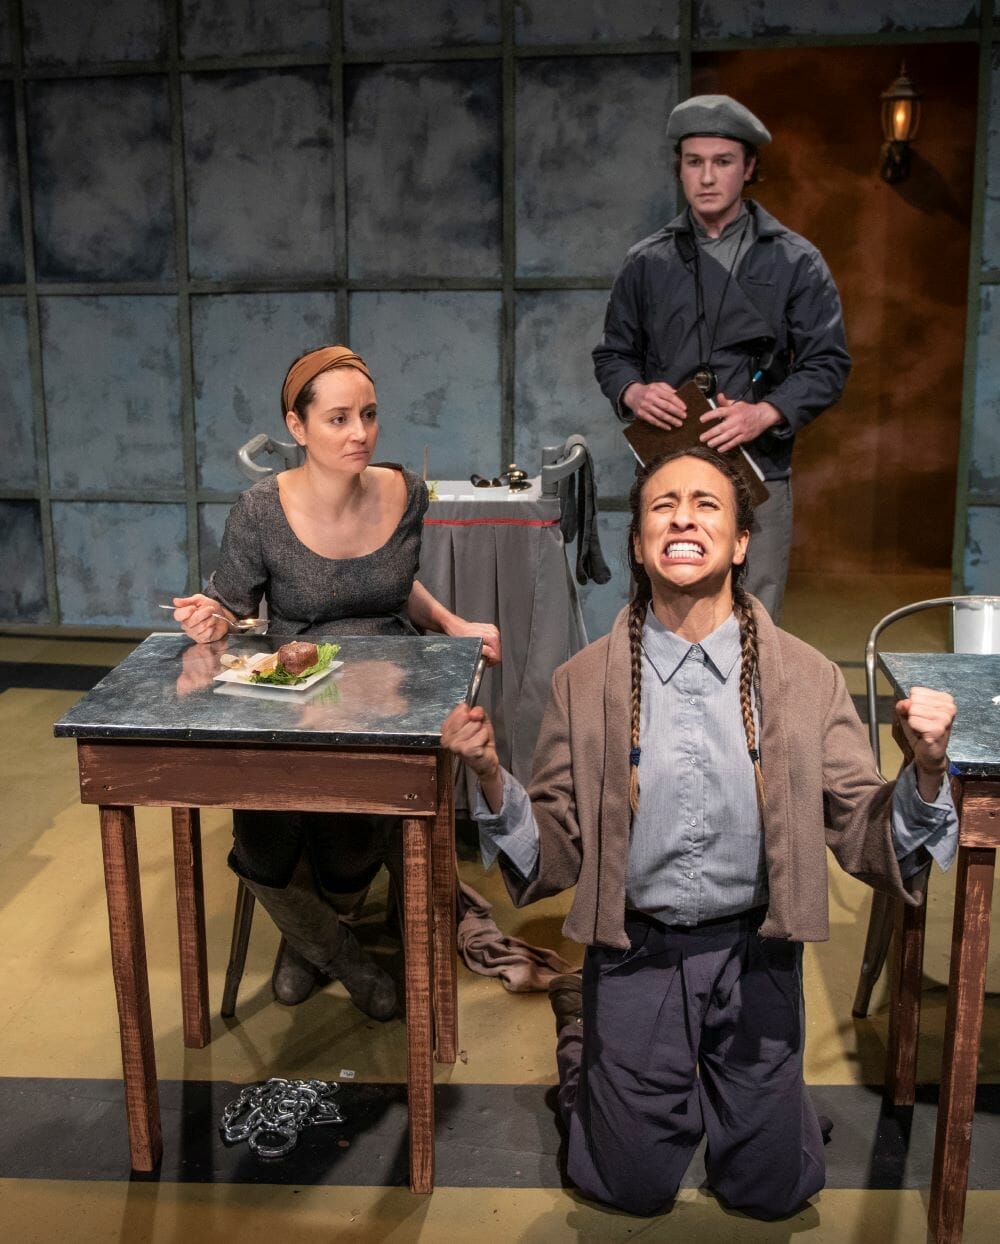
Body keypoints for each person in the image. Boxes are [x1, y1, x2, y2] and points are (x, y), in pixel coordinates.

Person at [441, 444, 957, 1220]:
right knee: (628, 1185)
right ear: (639, 543)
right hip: (636, 954)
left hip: (757, 956)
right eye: (663, 506)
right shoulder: (583, 681)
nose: (683, 517)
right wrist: (489, 775)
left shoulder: (806, 678)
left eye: (707, 504)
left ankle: (743, 1098)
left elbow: (862, 828)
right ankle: (584, 1035)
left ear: (741, 542)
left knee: (774, 1190)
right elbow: (556, 849)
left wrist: (924, 770)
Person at [173, 344, 500, 1019]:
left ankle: (318, 936)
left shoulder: (406, 492)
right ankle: (343, 958)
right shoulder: (261, 510)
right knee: (263, 837)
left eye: (369, 415)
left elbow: (396, 586)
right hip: (293, 691)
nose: (360, 434)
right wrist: (209, 620)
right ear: (297, 427)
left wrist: (451, 622)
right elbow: (229, 606)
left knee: (353, 835)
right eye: (339, 419)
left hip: (387, 690)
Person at [593, 93, 851, 621]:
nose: (707, 177)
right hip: (667, 462)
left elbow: (827, 363)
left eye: (723, 161)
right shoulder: (647, 262)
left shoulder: (794, 260)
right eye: (694, 162)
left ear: (749, 167)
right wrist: (634, 391)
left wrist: (765, 412)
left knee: (753, 616)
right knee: (657, 613)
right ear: (680, 169)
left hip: (756, 465)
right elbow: (613, 355)